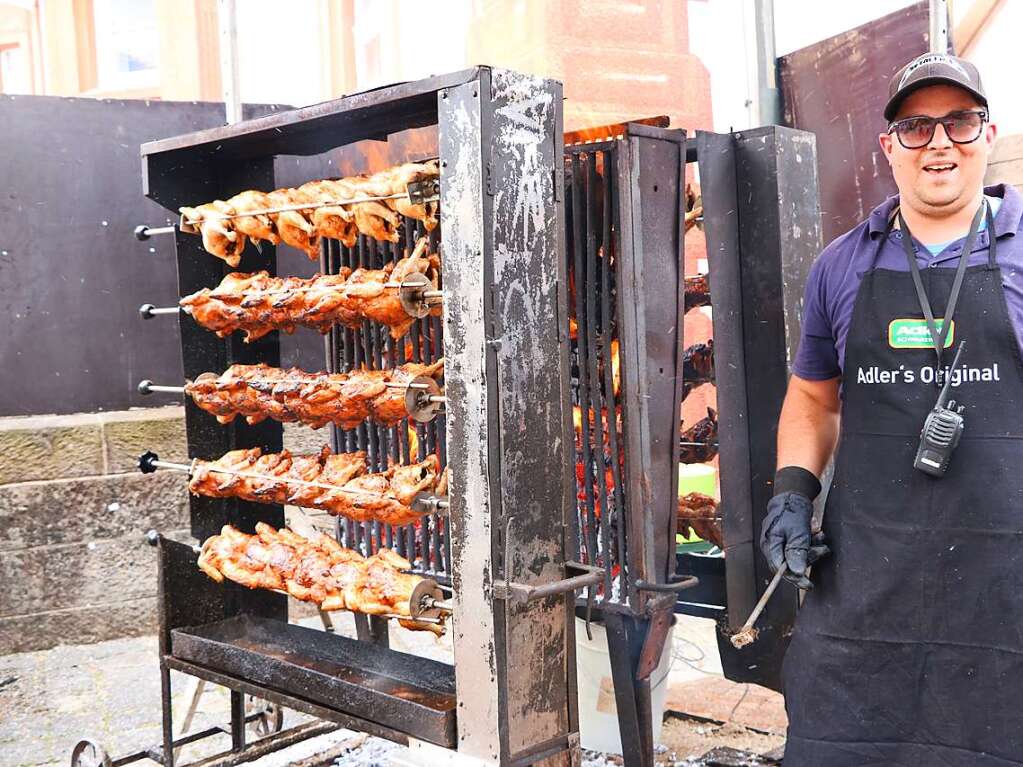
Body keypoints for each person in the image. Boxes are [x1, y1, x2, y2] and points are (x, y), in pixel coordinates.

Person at [761, 52, 1023, 765]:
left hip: (1003, 588)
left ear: (987, 133)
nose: (938, 142)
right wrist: (791, 492)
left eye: (958, 122)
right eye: (915, 127)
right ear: (888, 148)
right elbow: (813, 396)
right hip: (865, 584)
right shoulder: (841, 264)